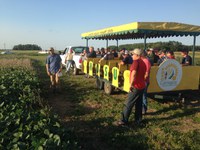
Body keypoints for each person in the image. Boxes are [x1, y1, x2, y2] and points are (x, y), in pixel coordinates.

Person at [116, 48, 146, 126]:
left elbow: (134, 73)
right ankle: (138, 120)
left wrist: (131, 84)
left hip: (135, 86)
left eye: (133, 54)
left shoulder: (136, 62)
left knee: (128, 103)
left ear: (137, 55)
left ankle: (123, 121)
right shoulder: (143, 62)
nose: (131, 55)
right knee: (139, 104)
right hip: (142, 86)